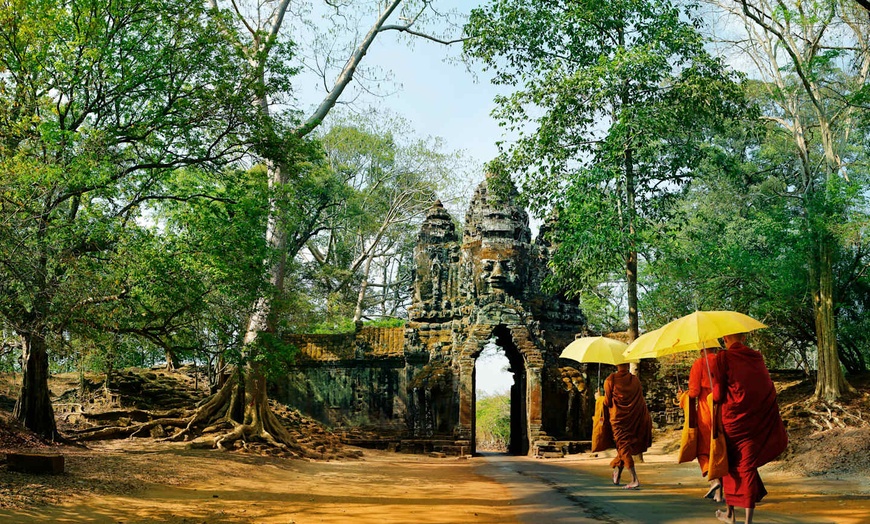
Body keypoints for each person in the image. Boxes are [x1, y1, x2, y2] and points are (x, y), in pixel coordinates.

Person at [712, 333, 788, 524]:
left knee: (728, 464)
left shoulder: (722, 357)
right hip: (754, 420)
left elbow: (719, 393)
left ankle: (730, 514)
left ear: (724, 338)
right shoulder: (756, 357)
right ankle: (748, 520)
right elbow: (766, 387)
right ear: (744, 337)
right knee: (747, 466)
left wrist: (711, 394)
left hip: (731, 421)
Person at [602, 362, 652, 489]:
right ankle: (617, 471)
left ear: (616, 364)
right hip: (633, 418)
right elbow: (640, 399)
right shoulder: (635, 380)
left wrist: (598, 398)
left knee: (623, 446)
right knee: (624, 446)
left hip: (618, 418)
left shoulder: (611, 379)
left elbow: (607, 402)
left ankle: (634, 479)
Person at [687, 346, 723, 502]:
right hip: (724, 410)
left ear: (702, 350)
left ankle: (714, 480)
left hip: (706, 412)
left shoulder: (699, 363)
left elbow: (694, 392)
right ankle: (719, 494)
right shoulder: (723, 361)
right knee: (721, 450)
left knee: (704, 450)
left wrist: (683, 396)